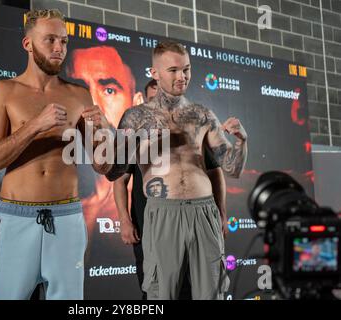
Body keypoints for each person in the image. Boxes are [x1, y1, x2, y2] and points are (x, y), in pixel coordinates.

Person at [103, 40, 248, 300]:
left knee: (212, 292)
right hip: (162, 212)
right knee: (162, 294)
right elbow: (115, 172)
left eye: (186, 69)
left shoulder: (203, 115)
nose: (182, 77)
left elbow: (231, 168)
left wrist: (242, 142)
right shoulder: (135, 117)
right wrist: (119, 144)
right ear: (155, 73)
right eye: (173, 70)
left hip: (204, 211)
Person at [0, 9, 110, 300]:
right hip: (16, 218)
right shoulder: (4, 91)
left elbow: (103, 165)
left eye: (64, 41)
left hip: (67, 218)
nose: (59, 48)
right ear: (28, 44)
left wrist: (104, 133)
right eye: (50, 39)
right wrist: (35, 126)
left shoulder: (79, 95)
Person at [114, 79, 227, 300]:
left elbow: (215, 171)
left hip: (196, 218)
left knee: (206, 288)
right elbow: (118, 179)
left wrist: (221, 212)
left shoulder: (192, 128)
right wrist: (124, 219)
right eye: (156, 95)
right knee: (159, 291)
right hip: (152, 222)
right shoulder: (136, 130)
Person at [66, 46, 144, 237]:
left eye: (109, 90)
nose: (93, 104)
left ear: (136, 103)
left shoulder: (156, 191)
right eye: (80, 90)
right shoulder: (62, 201)